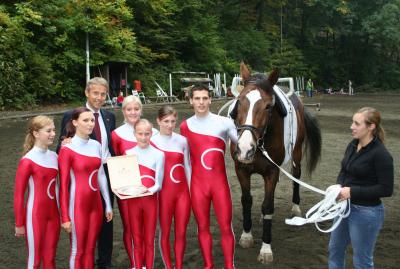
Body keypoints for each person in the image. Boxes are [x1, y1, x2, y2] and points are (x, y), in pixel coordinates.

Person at [57, 77, 116, 269]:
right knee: (79, 241)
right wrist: (64, 143)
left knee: (106, 224)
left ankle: (104, 263)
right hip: (80, 174)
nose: (99, 97)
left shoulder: (109, 116)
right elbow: (63, 144)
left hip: (104, 170)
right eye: (95, 93)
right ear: (87, 93)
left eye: (103, 94)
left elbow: (112, 146)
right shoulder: (72, 115)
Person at [180, 84, 238, 269]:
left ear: (210, 99)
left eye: (205, 98)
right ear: (191, 101)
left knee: (225, 227)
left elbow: (243, 145)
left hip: (220, 184)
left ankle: (230, 265)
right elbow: (186, 160)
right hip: (198, 186)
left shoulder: (225, 122)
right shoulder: (185, 126)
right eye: (197, 98)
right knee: (202, 227)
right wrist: (189, 185)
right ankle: (208, 265)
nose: (201, 102)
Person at [328, 107, 393, 269]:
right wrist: (339, 185)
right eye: (352, 122)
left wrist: (351, 191)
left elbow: (386, 189)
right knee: (335, 250)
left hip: (366, 213)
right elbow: (344, 169)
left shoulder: (381, 154)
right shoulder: (352, 145)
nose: (352, 126)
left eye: (357, 123)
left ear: (371, 127)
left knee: (362, 260)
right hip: (343, 208)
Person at [14, 116, 60, 269]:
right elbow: (19, 195)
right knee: (34, 260)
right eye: (48, 131)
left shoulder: (55, 156)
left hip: (53, 215)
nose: (53, 134)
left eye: (54, 130)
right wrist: (19, 223)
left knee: (50, 258)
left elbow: (58, 188)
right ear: (36, 133)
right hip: (35, 216)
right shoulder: (27, 161)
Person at [151, 105, 191, 269]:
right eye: (166, 121)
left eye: (173, 121)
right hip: (163, 195)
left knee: (181, 233)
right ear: (158, 121)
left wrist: (190, 191)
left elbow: (187, 166)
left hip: (182, 195)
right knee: (165, 233)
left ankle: (179, 266)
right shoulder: (151, 141)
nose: (169, 125)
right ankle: (169, 266)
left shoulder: (182, 140)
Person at [125, 119, 165, 269]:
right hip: (133, 201)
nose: (143, 137)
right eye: (140, 134)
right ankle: (137, 266)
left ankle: (149, 266)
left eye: (147, 134)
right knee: (136, 238)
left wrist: (146, 191)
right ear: (134, 134)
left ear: (151, 134)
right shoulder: (128, 153)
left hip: (150, 201)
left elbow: (158, 184)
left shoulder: (159, 154)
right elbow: (125, 181)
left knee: (149, 239)